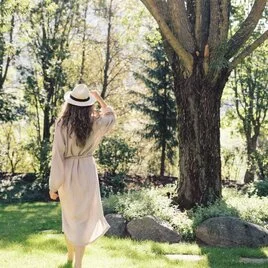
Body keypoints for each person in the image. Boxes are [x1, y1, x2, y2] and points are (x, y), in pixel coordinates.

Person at [48, 84, 116, 268]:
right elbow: (111, 116)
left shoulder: (62, 124)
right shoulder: (96, 121)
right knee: (83, 218)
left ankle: (73, 260)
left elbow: (57, 155)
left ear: (69, 104)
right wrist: (99, 98)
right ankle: (74, 259)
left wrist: (54, 185)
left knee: (70, 216)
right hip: (87, 170)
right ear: (88, 104)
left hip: (68, 170)